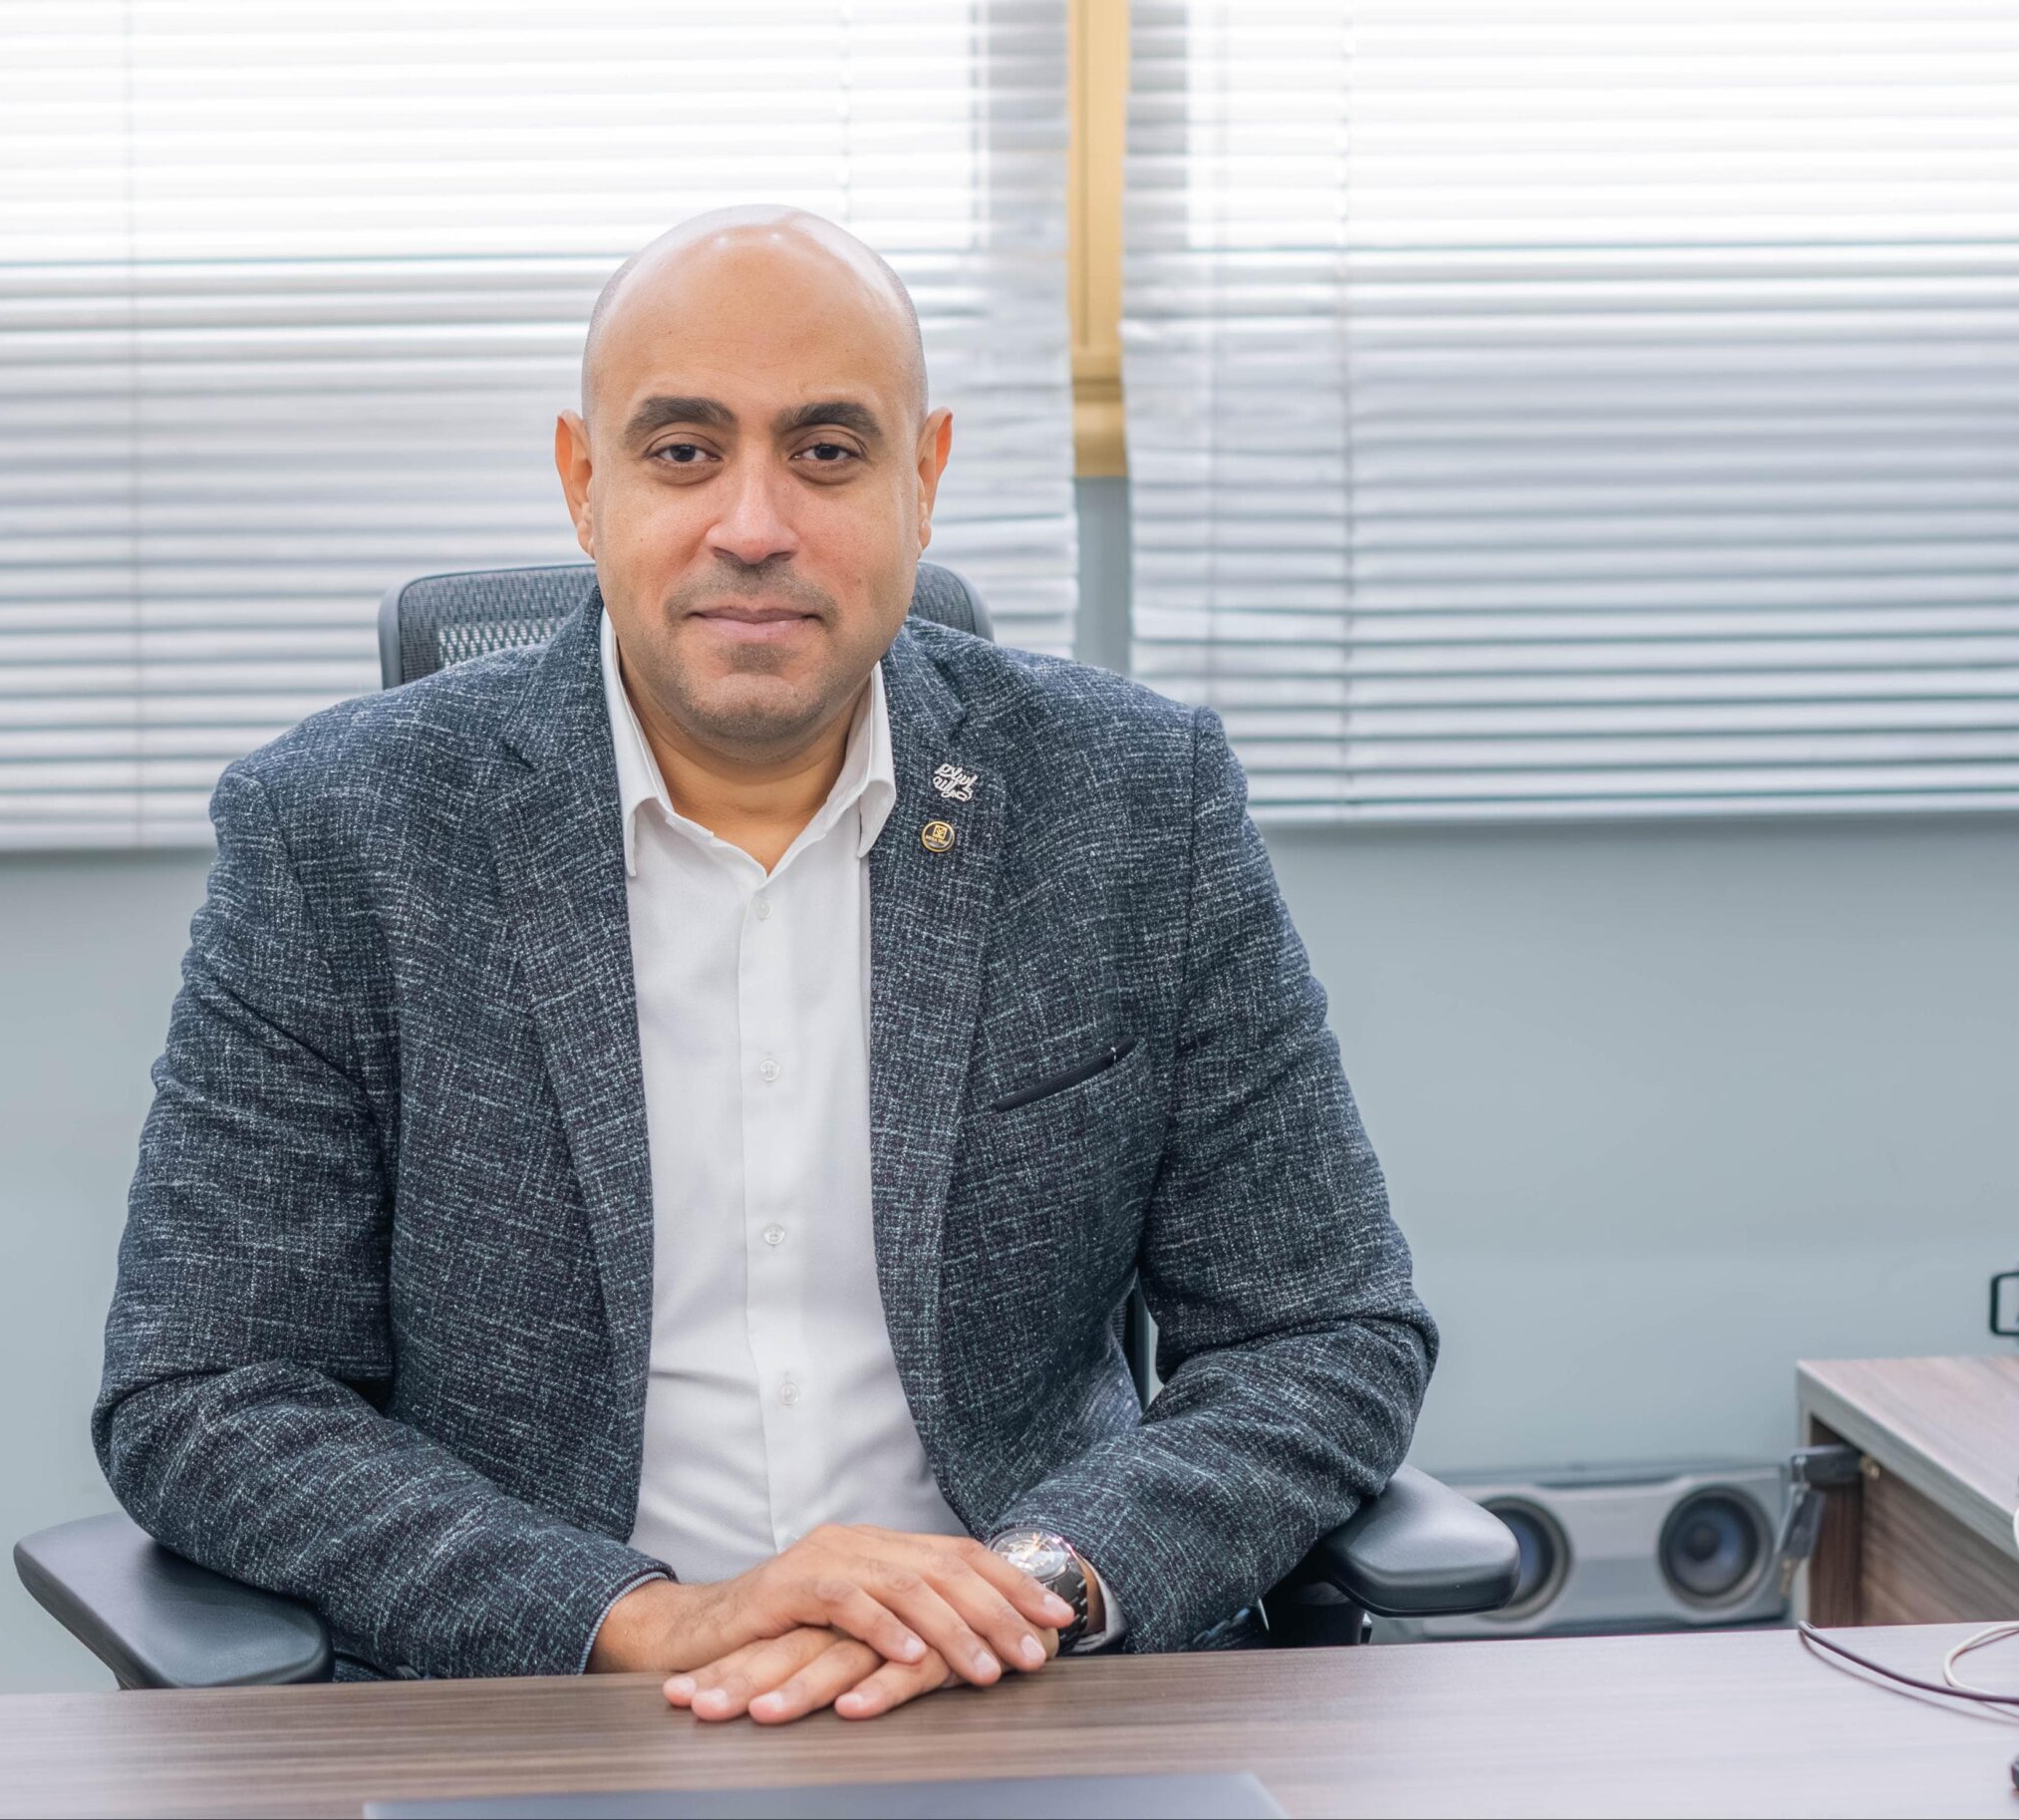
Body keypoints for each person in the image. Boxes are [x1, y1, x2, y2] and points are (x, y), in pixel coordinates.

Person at [94, 205, 1436, 1725]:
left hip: (1017, 1690)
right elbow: (207, 1390)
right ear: (582, 482)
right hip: (553, 1710)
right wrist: (649, 1616)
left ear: (923, 480)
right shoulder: (342, 831)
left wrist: (1029, 1586)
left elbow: (1323, 1329)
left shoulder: (1133, 802)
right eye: (682, 451)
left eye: (827, 451)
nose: (752, 524)